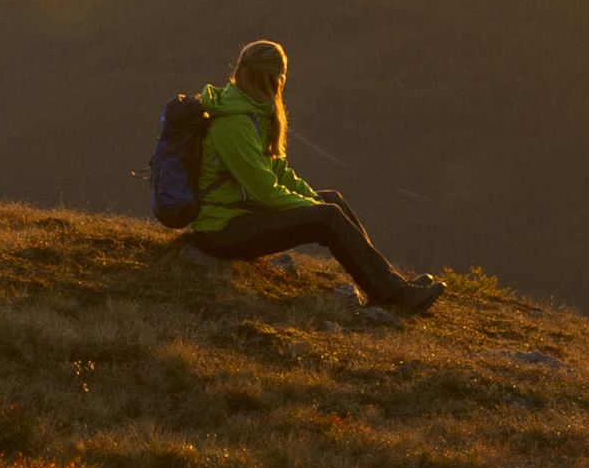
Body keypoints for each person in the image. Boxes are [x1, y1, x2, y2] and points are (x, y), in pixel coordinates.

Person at [186, 39, 443, 313]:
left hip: (242, 214)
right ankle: (394, 297)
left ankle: (391, 284)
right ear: (270, 78)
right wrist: (315, 209)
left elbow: (279, 171)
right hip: (222, 230)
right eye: (280, 77)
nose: (282, 83)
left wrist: (313, 200)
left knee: (332, 200)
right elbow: (266, 191)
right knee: (327, 216)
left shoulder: (252, 111)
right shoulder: (234, 123)